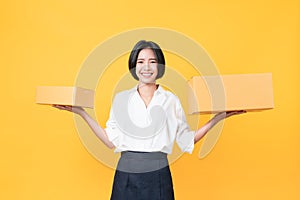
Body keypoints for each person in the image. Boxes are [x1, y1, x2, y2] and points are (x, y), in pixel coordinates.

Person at [53, 40, 245, 200]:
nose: (146, 67)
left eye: (152, 61)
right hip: (126, 174)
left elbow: (187, 140)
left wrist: (218, 118)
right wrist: (81, 112)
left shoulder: (171, 100)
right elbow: (110, 141)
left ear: (160, 66)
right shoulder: (122, 99)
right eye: (141, 61)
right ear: (134, 66)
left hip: (158, 174)